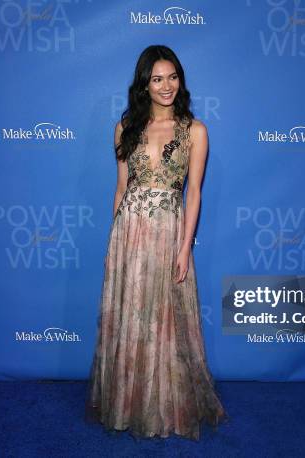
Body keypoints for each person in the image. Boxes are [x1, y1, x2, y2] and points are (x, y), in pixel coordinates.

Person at [86, 44, 226, 440]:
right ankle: (127, 403)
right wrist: (114, 241)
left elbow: (193, 193)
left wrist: (184, 247)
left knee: (163, 321)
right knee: (129, 317)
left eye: (173, 77)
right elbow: (120, 188)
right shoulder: (125, 126)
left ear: (181, 80)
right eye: (157, 79)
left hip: (167, 231)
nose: (166, 86)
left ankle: (163, 405)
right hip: (128, 232)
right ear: (144, 85)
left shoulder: (194, 130)